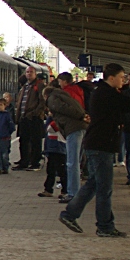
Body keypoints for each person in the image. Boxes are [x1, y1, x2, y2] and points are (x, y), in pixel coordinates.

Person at [59, 62, 130, 238]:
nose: (123, 80)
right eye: (121, 77)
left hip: (99, 144)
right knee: (104, 187)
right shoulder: (106, 94)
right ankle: (104, 226)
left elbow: (125, 105)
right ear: (111, 78)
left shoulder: (105, 92)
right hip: (101, 145)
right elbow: (127, 105)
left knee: (94, 183)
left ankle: (70, 214)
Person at [52, 72, 88, 203]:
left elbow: (69, 111)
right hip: (82, 126)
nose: (59, 84)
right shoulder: (79, 90)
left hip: (73, 127)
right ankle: (74, 190)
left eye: (60, 81)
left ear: (64, 81)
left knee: (72, 162)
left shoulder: (66, 93)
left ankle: (73, 193)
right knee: (76, 161)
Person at [13, 65, 45, 171]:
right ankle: (24, 161)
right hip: (23, 118)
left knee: (35, 141)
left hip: (34, 118)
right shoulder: (25, 86)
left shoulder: (39, 85)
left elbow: (42, 101)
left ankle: (35, 162)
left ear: (35, 74)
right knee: (23, 140)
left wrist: (35, 113)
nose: (29, 74)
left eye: (31, 72)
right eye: (27, 72)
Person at [39, 90, 68, 197]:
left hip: (58, 147)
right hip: (52, 147)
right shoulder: (54, 118)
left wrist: (51, 117)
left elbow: (49, 128)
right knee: (51, 169)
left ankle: (65, 190)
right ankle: (48, 189)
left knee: (61, 170)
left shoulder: (58, 120)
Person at [0, 97, 15, 175]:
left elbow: (12, 127)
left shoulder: (7, 115)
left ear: (5, 106)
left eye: (1, 105)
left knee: (4, 154)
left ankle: (5, 168)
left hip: (5, 138)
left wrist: (7, 134)